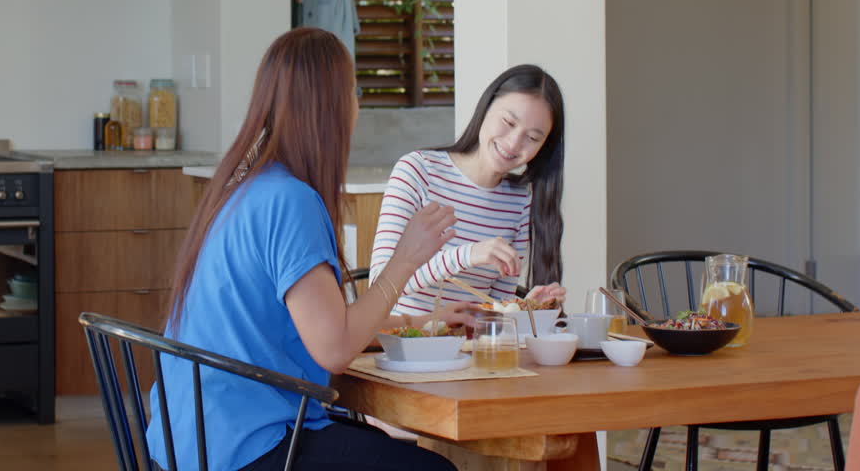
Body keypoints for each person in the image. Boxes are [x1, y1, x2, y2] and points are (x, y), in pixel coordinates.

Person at [147, 28, 466, 471]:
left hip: (189, 439)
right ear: (330, 107)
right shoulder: (290, 201)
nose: (357, 105)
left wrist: (421, 322)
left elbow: (318, 327)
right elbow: (334, 350)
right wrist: (406, 258)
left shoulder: (244, 188)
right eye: (353, 91)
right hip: (245, 448)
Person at [369, 64, 568, 317]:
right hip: (406, 345)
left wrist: (524, 308)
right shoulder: (418, 171)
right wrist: (466, 255)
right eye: (508, 122)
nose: (513, 142)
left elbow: (492, 310)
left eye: (533, 138)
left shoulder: (519, 202)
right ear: (486, 107)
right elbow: (380, 286)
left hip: (469, 350)